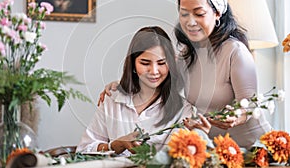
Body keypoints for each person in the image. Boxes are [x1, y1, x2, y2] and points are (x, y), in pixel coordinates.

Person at [98, 0, 272, 149]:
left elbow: (249, 103)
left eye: (199, 13)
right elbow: (157, 78)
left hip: (252, 148)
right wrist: (120, 86)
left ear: (217, 12)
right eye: (184, 13)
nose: (190, 21)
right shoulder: (186, 55)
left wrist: (236, 115)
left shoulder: (235, 51)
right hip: (215, 149)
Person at [76, 26, 211, 156]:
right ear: (133, 64)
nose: (154, 71)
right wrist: (114, 145)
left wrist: (199, 138)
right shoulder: (112, 99)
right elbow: (84, 149)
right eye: (145, 63)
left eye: (161, 63)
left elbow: (177, 159)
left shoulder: (183, 110)